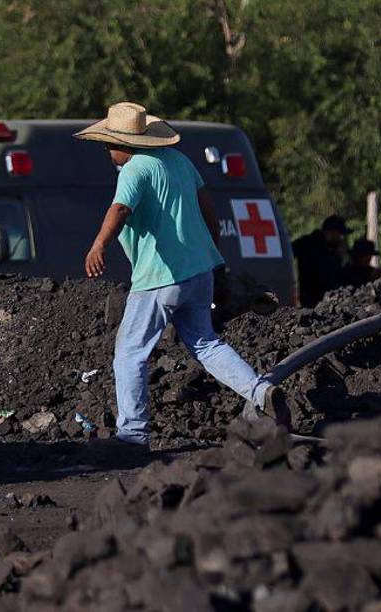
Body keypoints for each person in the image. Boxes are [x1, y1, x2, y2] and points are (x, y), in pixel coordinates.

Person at [76, 102, 290, 453]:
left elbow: (119, 209)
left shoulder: (134, 169)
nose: (107, 151)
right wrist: (212, 253)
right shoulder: (179, 161)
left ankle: (132, 436)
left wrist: (98, 245)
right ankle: (261, 391)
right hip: (198, 271)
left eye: (108, 144)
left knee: (130, 353)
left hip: (160, 277)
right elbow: (207, 206)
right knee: (206, 342)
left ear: (123, 144)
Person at [291, 215, 352, 306]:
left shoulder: (334, 252)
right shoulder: (307, 244)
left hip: (329, 301)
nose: (341, 238)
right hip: (310, 300)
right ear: (330, 232)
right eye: (339, 234)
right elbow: (287, 254)